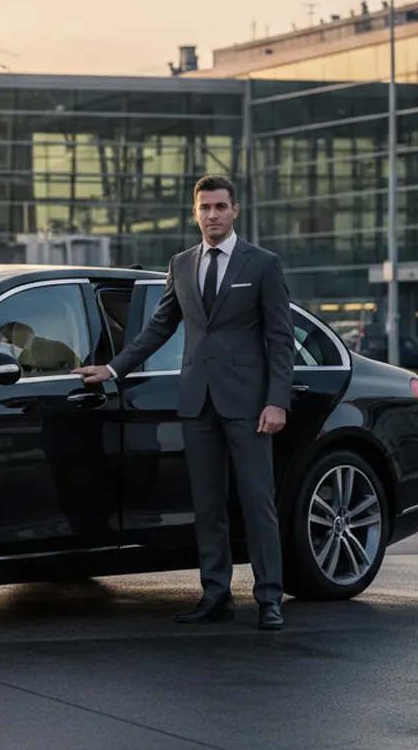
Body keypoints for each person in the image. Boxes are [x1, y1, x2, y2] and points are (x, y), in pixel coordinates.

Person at [73, 175, 294, 631]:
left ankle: (270, 598)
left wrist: (277, 402)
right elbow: (159, 327)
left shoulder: (263, 264)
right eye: (204, 208)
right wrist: (113, 369)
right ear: (195, 213)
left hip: (249, 406)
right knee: (207, 505)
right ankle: (215, 595)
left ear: (235, 211)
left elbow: (281, 339)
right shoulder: (182, 263)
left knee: (257, 503)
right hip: (197, 402)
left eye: (219, 206)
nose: (212, 215)